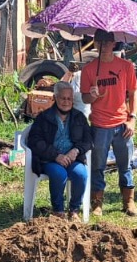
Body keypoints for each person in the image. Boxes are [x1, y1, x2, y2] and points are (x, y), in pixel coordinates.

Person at [80, 28, 137, 217]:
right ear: (95, 43)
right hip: (99, 125)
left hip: (122, 123)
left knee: (125, 164)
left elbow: (133, 93)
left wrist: (132, 119)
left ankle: (128, 201)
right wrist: (92, 94)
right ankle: (97, 202)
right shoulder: (88, 69)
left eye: (107, 42)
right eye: (100, 42)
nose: (103, 46)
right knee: (98, 165)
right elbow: (85, 98)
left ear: (114, 44)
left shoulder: (126, 66)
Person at [25, 81, 92, 219]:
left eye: (69, 98)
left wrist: (76, 151)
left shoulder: (79, 117)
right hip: (50, 159)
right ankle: (58, 211)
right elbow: (34, 141)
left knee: (81, 174)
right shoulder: (44, 117)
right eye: (63, 98)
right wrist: (55, 155)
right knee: (59, 174)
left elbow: (88, 141)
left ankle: (74, 210)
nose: (66, 102)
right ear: (55, 98)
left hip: (73, 158)